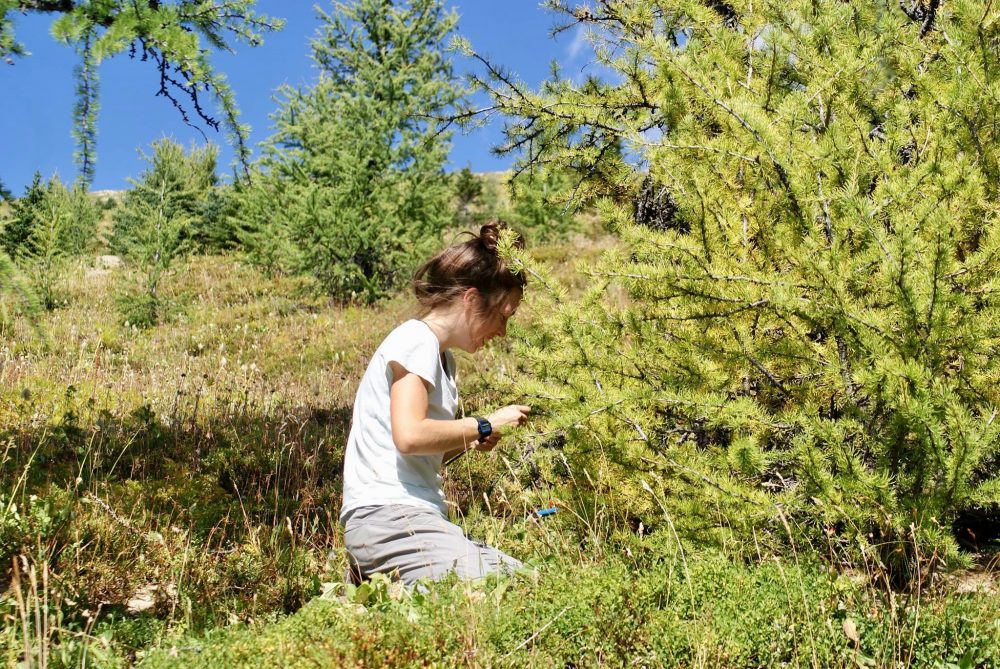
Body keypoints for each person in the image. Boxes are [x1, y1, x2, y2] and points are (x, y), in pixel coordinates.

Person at [340, 221, 532, 585]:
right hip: (391, 519)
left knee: (525, 581)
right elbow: (410, 435)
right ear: (472, 299)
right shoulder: (416, 340)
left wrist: (468, 438)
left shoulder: (443, 358)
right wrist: (484, 423)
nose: (503, 332)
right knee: (506, 589)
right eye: (503, 315)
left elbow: (415, 451)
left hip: (411, 519)